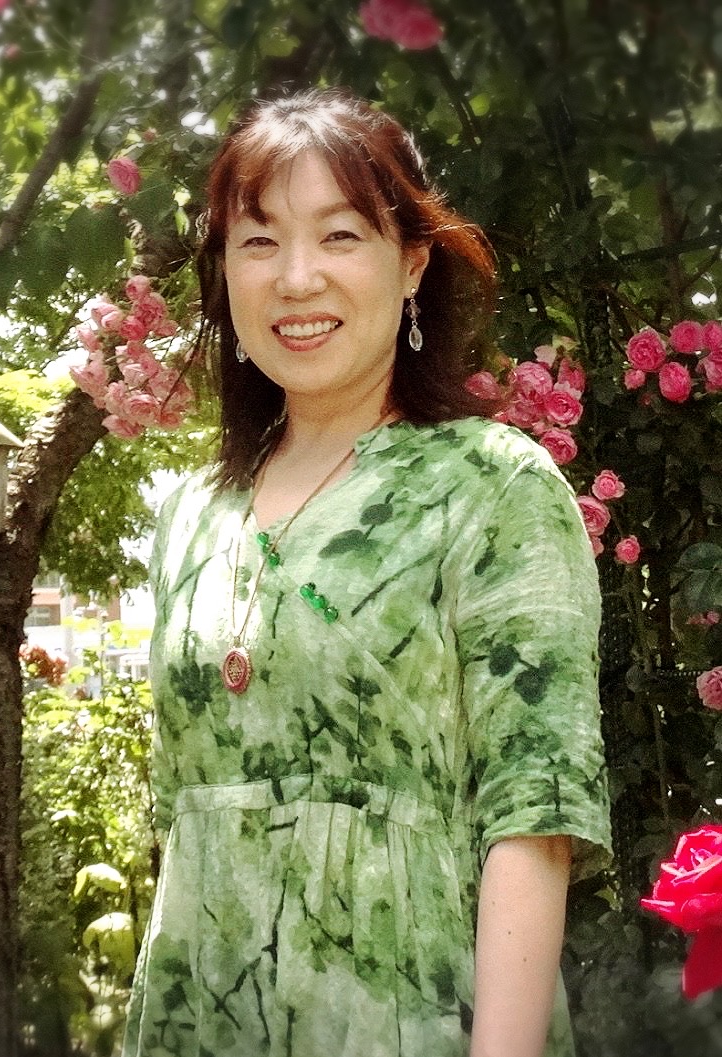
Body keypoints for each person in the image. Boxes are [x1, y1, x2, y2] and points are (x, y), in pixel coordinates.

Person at [122, 88, 612, 1057]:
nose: (296, 277)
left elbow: (535, 819)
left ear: (413, 261)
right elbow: (186, 826)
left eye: (340, 235)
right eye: (258, 241)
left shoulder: (490, 486)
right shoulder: (188, 514)